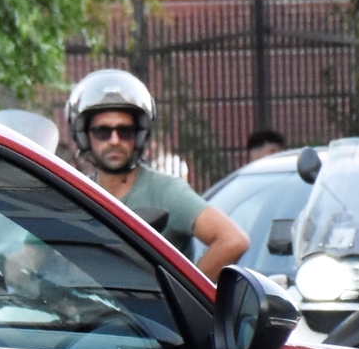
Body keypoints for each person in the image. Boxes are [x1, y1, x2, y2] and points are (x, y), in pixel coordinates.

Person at [65, 69, 249, 276]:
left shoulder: (166, 191)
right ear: (83, 136)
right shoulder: (76, 195)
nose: (114, 140)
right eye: (102, 131)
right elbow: (33, 254)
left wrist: (184, 300)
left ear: (140, 136)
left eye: (125, 131)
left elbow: (233, 240)